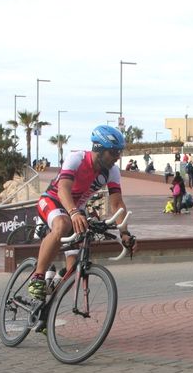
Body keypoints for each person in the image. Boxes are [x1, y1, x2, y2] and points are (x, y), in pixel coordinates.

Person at [27, 125, 135, 300]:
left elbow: (117, 203)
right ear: (100, 149)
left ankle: (47, 306)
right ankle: (37, 277)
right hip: (54, 200)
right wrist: (73, 212)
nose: (118, 157)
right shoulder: (76, 158)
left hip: (77, 209)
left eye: (119, 152)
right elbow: (63, 189)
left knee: (74, 267)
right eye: (114, 152)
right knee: (63, 224)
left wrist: (124, 232)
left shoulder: (112, 171)